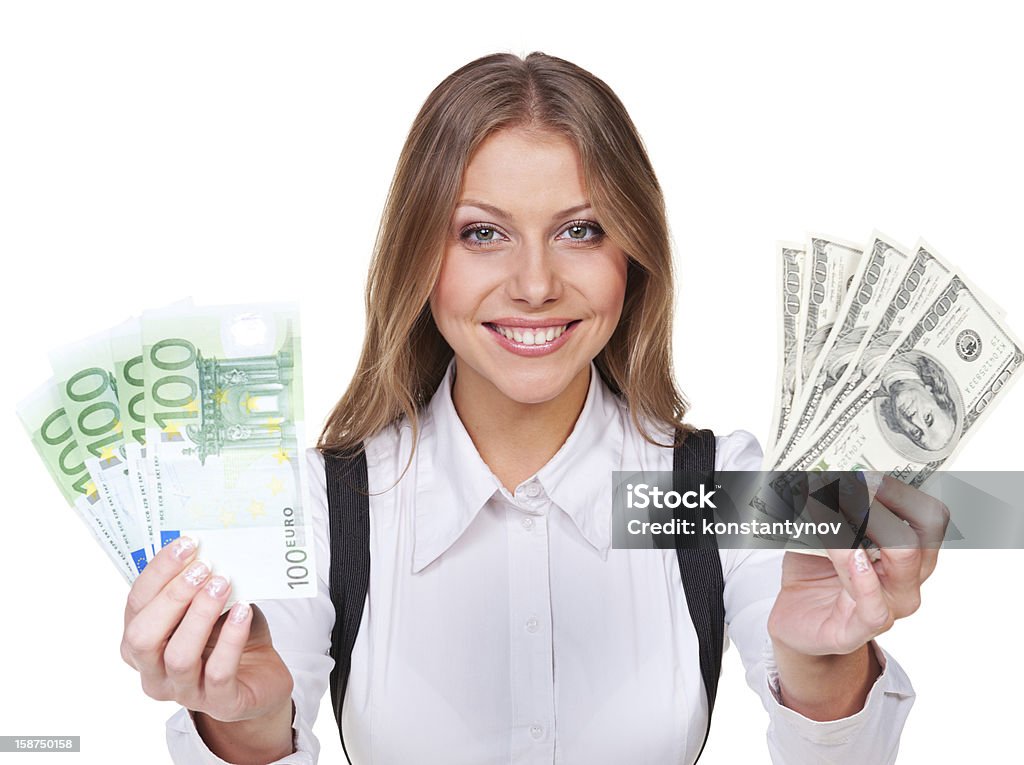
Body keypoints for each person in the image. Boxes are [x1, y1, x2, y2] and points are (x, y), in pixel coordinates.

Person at [120, 52, 949, 764]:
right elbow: (261, 709)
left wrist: (822, 659)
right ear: (420, 256)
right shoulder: (315, 503)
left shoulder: (727, 484)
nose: (535, 283)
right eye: (482, 233)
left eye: (581, 230)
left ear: (634, 253)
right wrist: (247, 720)